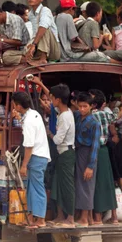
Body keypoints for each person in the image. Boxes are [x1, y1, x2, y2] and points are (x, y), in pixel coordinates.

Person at [13, 92, 50, 229]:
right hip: (40, 156)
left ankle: (40, 219)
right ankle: (31, 216)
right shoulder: (34, 114)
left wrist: (24, 165)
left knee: (37, 188)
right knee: (30, 188)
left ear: (18, 105)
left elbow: (29, 146)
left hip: (36, 157)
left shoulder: (29, 121)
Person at [47, 84, 76, 227]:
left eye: (52, 98)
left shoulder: (65, 116)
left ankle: (70, 218)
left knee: (67, 186)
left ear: (58, 100)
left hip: (66, 153)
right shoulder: (65, 113)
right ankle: (60, 215)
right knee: (57, 184)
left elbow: (58, 139)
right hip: (62, 153)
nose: (51, 101)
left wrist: (50, 134)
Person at [90, 89, 119, 225]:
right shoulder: (106, 115)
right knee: (108, 183)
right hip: (104, 151)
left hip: (95, 151)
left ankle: (97, 217)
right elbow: (115, 116)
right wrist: (120, 108)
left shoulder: (92, 116)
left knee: (97, 183)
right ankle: (114, 217)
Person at [74, 92, 101, 227]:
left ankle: (84, 218)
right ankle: (88, 217)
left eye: (85, 106)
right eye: (80, 106)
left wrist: (90, 166)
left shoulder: (94, 123)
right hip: (78, 152)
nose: (82, 109)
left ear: (91, 106)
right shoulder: (78, 117)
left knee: (86, 185)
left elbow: (95, 146)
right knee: (80, 184)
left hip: (88, 154)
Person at [26, 0, 61, 65]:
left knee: (43, 29)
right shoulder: (30, 14)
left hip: (52, 50)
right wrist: (30, 45)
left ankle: (42, 59)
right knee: (8, 55)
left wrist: (34, 45)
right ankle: (30, 59)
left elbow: (43, 28)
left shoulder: (45, 10)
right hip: (38, 46)